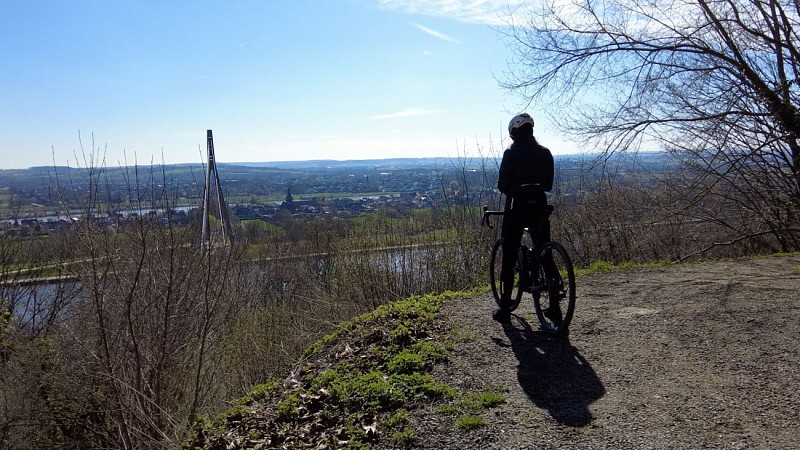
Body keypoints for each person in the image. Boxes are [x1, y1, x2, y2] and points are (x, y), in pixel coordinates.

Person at [494, 112, 556, 323]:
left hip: (517, 208)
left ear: (513, 133)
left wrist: (516, 189)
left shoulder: (511, 153)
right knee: (545, 250)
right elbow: (548, 185)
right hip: (539, 206)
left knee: (509, 254)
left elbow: (502, 185)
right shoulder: (545, 152)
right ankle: (555, 305)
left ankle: (505, 307)